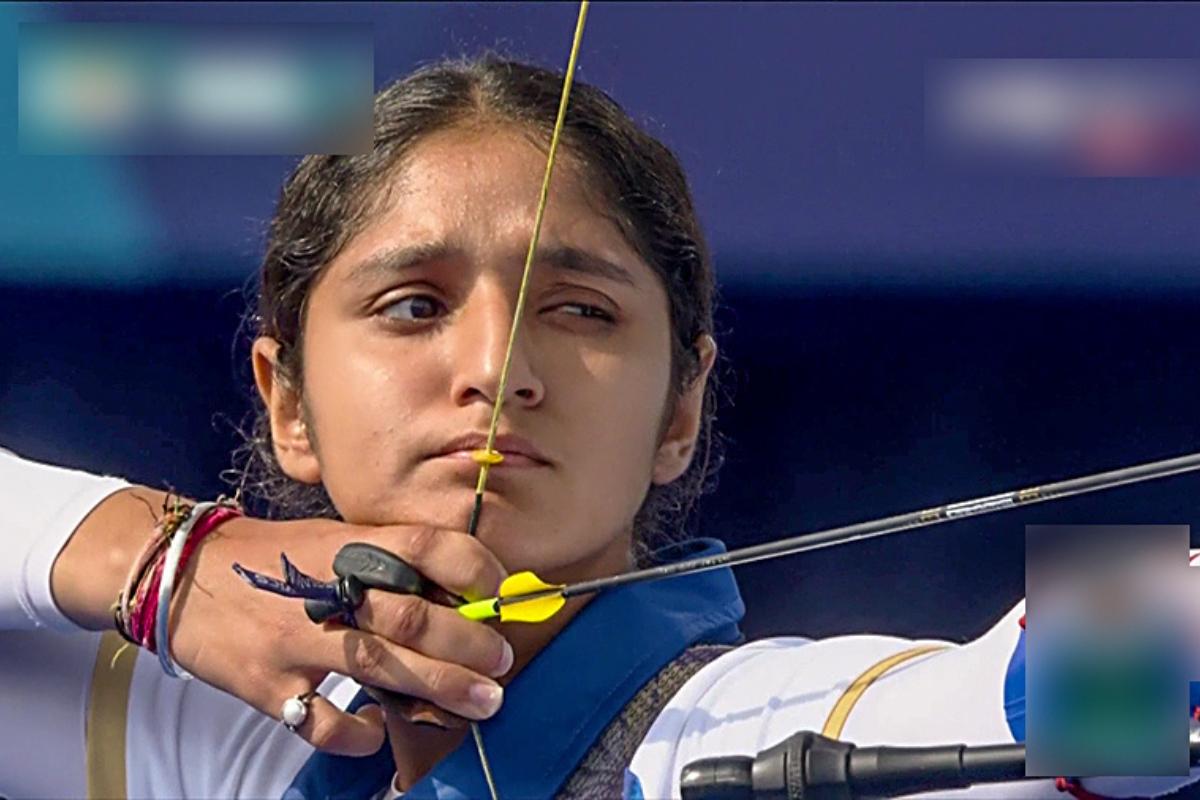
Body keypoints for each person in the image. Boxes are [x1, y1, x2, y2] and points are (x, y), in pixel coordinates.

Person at [2, 56, 1196, 800]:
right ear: (287, 400)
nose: (496, 367)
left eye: (578, 309)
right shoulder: (218, 741)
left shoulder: (770, 728)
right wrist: (159, 561)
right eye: (413, 304)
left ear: (680, 406)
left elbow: (1045, 690)